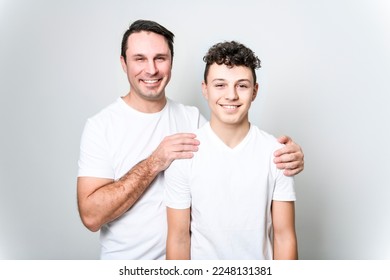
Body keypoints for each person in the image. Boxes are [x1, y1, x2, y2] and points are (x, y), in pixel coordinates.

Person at [77, 19, 303, 260]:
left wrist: (290, 155)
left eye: (160, 58)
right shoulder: (101, 127)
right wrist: (155, 161)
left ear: (171, 62)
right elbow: (91, 217)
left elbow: (235, 142)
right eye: (140, 59)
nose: (151, 69)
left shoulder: (192, 119)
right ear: (124, 63)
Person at [165, 41, 298, 260]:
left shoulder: (277, 154)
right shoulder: (185, 154)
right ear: (205, 90)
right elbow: (179, 239)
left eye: (242, 85)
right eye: (220, 85)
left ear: (254, 91)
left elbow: (284, 238)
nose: (231, 95)